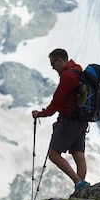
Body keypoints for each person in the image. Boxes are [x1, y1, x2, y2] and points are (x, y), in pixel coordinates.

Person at [32, 48, 90, 191]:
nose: (53, 68)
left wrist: (40, 114)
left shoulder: (67, 76)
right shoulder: (78, 71)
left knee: (53, 154)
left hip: (70, 120)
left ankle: (79, 183)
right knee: (78, 153)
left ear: (59, 60)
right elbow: (70, 100)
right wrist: (60, 118)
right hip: (81, 119)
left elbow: (57, 102)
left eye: (53, 64)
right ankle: (81, 188)